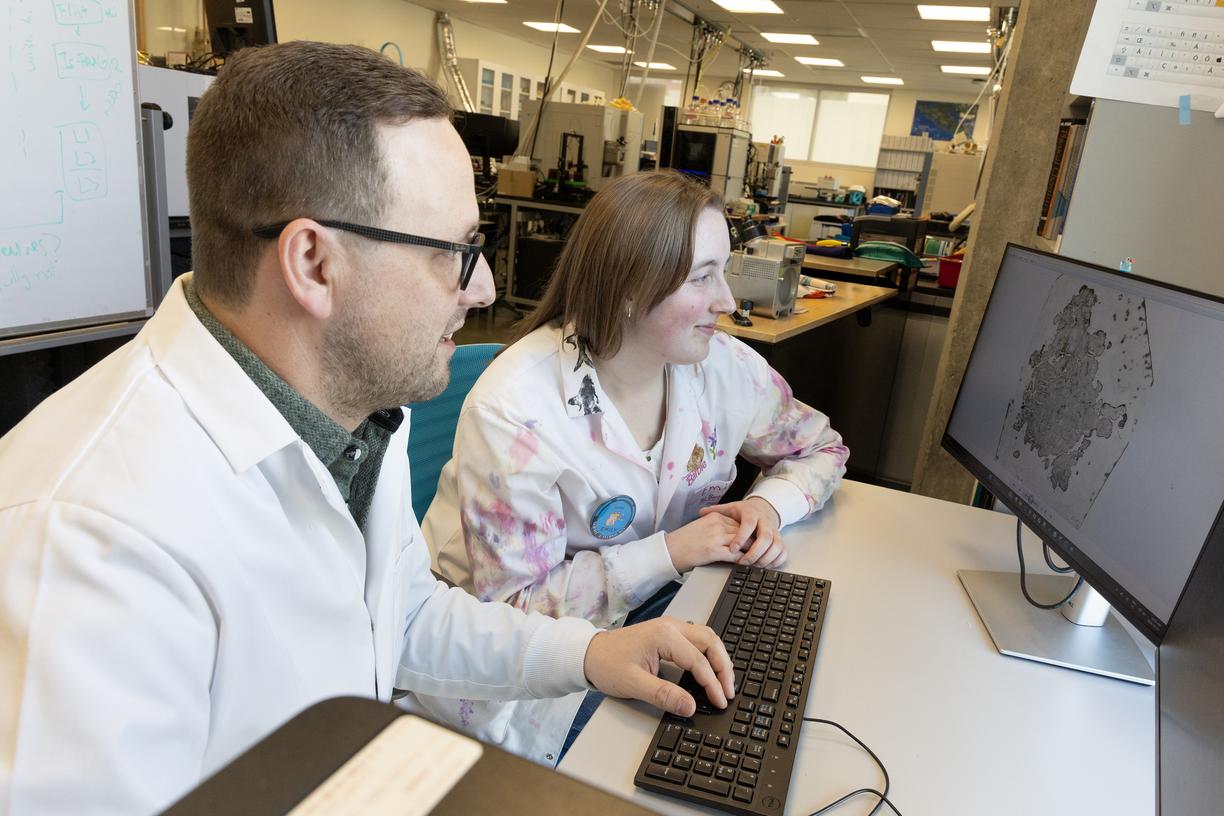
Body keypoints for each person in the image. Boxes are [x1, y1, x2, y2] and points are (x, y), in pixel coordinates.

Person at [0, 44, 734, 815]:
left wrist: (588, 653)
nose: (483, 288)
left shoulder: (348, 410)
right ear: (315, 263)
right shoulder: (88, 542)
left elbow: (405, 612)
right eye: (457, 252)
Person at [421, 169, 849, 761]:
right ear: (626, 288)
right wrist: (673, 550)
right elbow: (518, 613)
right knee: (696, 755)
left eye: (725, 271)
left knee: (774, 709)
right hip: (517, 666)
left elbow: (821, 448)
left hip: (650, 609)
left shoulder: (721, 366)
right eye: (703, 278)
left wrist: (765, 505)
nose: (728, 302)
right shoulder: (516, 412)